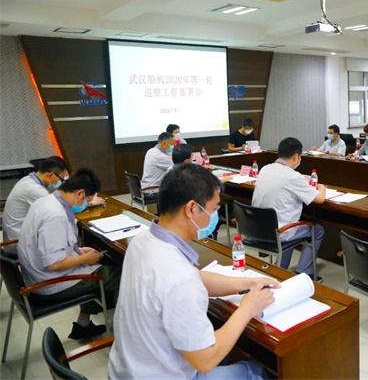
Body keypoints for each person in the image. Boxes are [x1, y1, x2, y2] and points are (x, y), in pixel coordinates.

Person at [108, 164, 277, 379]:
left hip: (127, 369)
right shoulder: (180, 278)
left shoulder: (142, 241)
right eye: (213, 210)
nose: (213, 217)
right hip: (164, 374)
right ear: (191, 209)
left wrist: (246, 283)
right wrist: (246, 310)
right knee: (257, 371)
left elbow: (192, 278)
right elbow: (205, 360)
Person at [17, 168, 120, 340]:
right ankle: (125, 331)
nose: (87, 204)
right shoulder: (55, 215)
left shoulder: (46, 202)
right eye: (88, 200)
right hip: (49, 283)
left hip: (38, 275)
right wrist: (84, 258)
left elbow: (53, 247)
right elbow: (54, 263)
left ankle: (83, 324)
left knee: (101, 266)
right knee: (121, 273)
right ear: (80, 193)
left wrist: (79, 252)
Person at [252, 137, 326, 279]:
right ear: (295, 157)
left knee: (288, 223)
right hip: (279, 231)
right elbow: (320, 199)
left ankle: (281, 270)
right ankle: (305, 272)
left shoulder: (265, 169)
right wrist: (321, 187)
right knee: (317, 230)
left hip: (258, 228)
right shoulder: (293, 176)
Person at [3, 156, 70, 253]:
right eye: (61, 179)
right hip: (18, 243)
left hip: (14, 237)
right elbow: (59, 210)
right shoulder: (34, 190)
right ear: (51, 175)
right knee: (69, 238)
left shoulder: (27, 180)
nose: (61, 182)